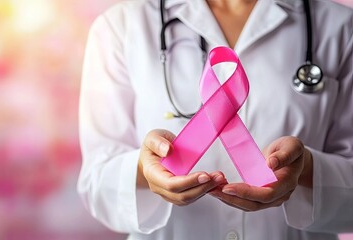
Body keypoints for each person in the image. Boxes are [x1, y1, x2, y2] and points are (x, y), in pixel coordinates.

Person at [77, 0, 353, 239]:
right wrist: (143, 171)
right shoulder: (121, 27)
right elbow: (96, 183)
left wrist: (305, 170)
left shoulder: (341, 28)